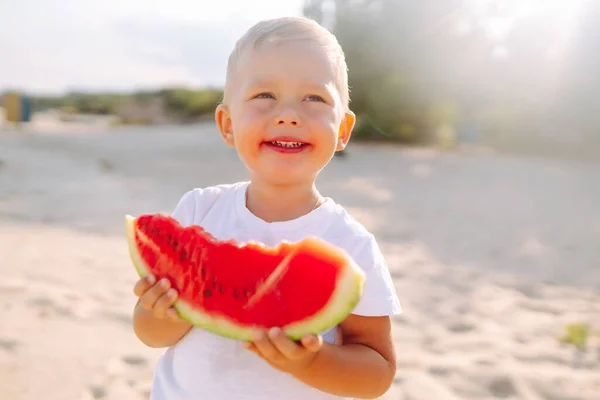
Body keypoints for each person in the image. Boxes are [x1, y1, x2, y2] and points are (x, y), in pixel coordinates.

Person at [131, 16, 402, 400]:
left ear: (342, 130)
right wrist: (159, 314)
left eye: (315, 98)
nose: (288, 114)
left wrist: (311, 362)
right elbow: (149, 335)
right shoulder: (197, 210)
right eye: (264, 97)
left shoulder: (352, 245)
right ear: (227, 125)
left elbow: (377, 372)